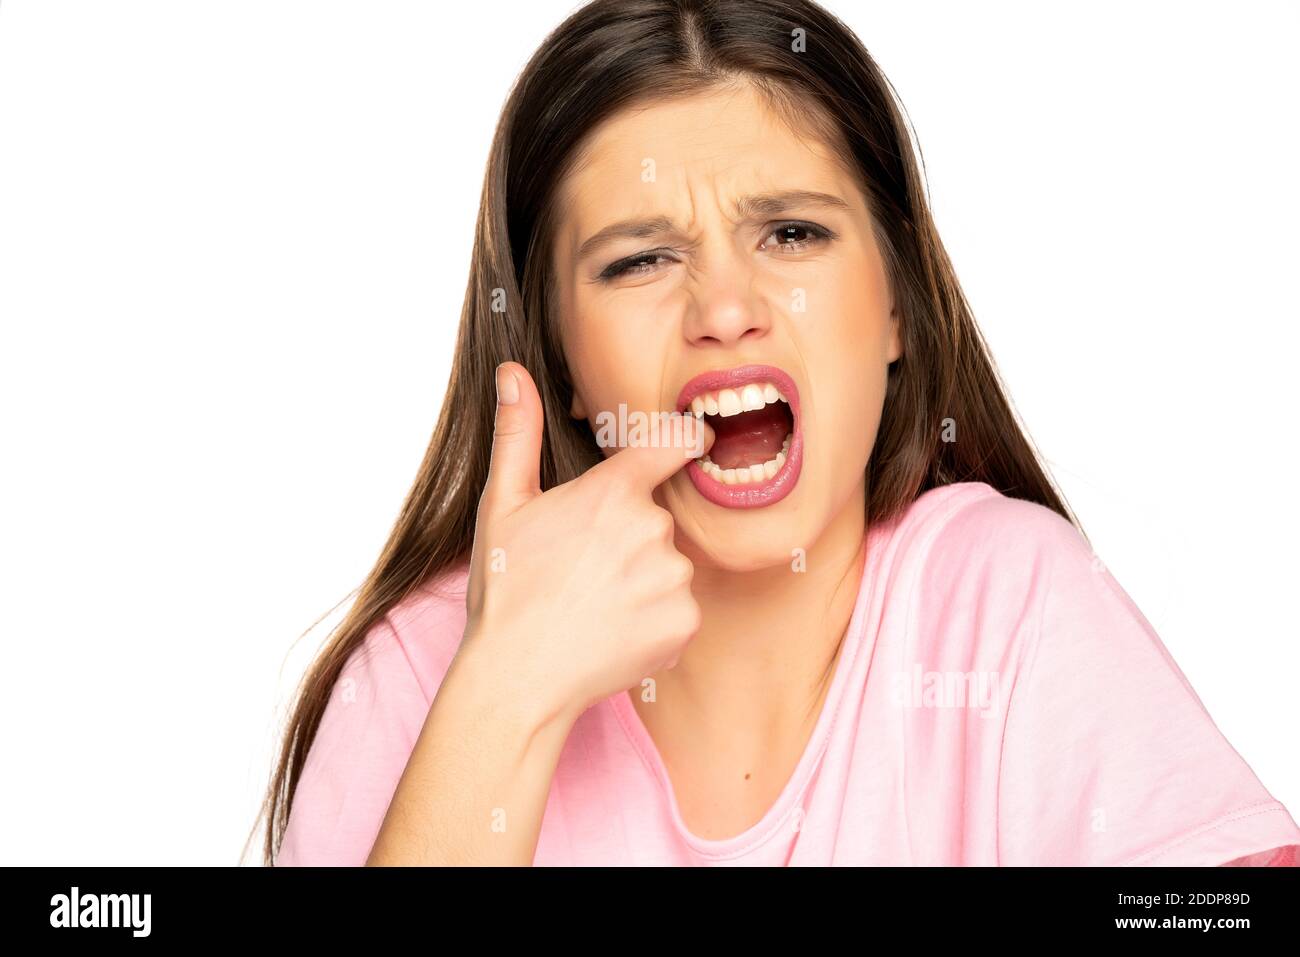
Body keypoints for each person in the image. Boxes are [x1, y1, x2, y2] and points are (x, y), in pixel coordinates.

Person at [257, 0, 1300, 866]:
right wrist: (506, 693)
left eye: (791, 233)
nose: (723, 307)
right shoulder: (423, 672)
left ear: (896, 306)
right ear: (563, 360)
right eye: (639, 261)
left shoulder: (1002, 604)